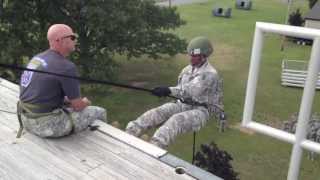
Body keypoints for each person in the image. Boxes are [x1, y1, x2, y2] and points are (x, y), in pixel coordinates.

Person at [125, 36, 224, 148]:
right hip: (183, 104)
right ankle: (131, 131)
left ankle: (155, 146)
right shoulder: (186, 70)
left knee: (176, 120)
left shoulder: (210, 74)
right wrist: (166, 93)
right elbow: (180, 89)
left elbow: (189, 91)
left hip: (200, 111)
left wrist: (168, 90)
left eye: (195, 56)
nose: (191, 58)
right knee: (159, 111)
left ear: (204, 56)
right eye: (190, 55)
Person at [18, 24, 106, 138]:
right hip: (45, 126)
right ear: (59, 40)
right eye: (72, 37)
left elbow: (38, 92)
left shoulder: (37, 58)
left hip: (25, 118)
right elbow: (78, 106)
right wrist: (85, 102)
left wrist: (66, 101)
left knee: (69, 107)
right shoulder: (66, 67)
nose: (75, 40)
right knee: (99, 111)